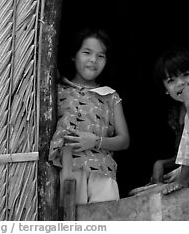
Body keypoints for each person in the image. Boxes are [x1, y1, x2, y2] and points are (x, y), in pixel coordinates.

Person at [49, 28, 130, 204]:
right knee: (70, 221)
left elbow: (124, 141)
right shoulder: (57, 91)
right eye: (87, 52)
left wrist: (95, 141)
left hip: (103, 172)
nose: (93, 60)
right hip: (67, 170)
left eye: (101, 56)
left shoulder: (110, 96)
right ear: (73, 55)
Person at [151, 47, 189, 195]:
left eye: (186, 75)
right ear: (165, 89)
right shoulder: (176, 113)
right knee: (138, 193)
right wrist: (162, 163)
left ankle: (183, 179)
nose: (180, 83)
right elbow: (186, 152)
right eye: (171, 80)